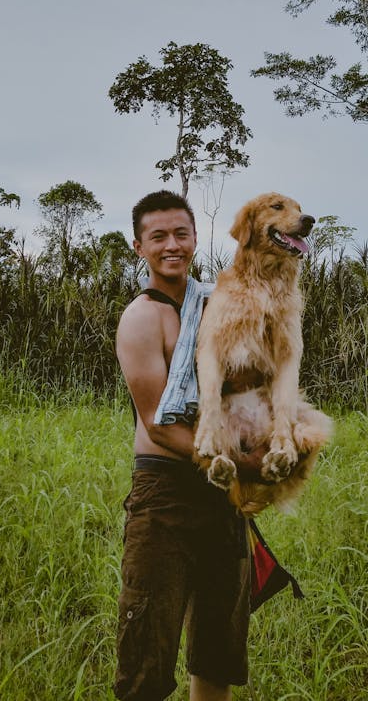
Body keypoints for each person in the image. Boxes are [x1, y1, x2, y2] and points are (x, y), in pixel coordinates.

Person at [113, 189, 265, 701]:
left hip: (221, 494)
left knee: (219, 647)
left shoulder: (215, 306)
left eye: (181, 234)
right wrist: (237, 464)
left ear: (196, 238)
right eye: (158, 237)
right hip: (166, 495)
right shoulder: (142, 318)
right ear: (139, 246)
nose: (172, 245)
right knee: (147, 649)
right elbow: (158, 424)